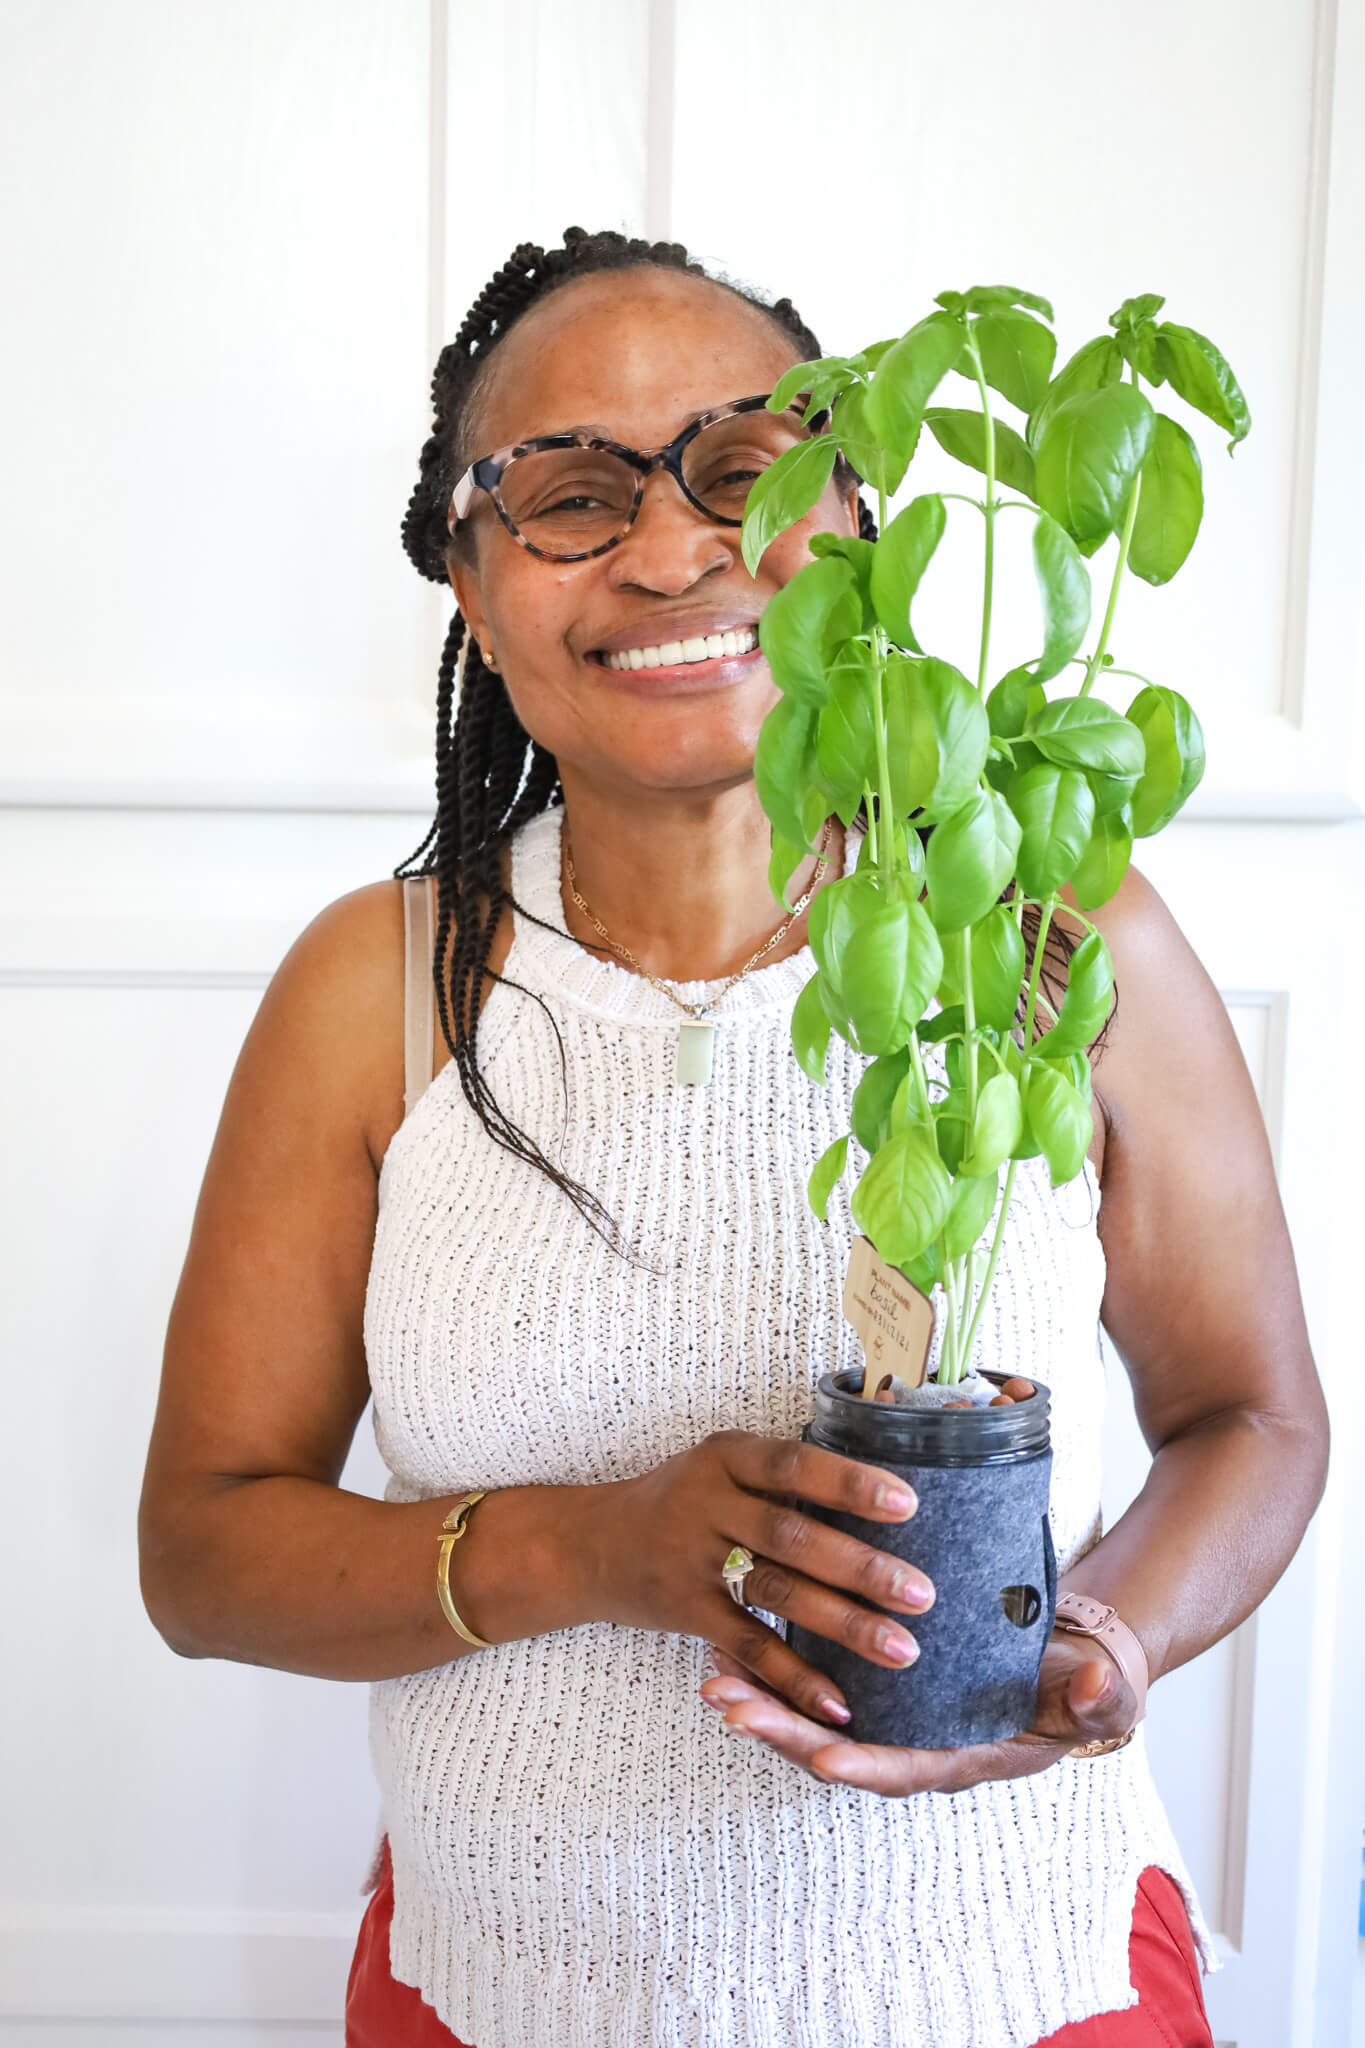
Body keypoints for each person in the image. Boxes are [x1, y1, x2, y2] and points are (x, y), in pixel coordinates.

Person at [137, 226, 1328, 2048]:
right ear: (469, 578)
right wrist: (591, 1549)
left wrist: (1104, 1641)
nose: (673, 547)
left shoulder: (1053, 931)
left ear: (857, 524)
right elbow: (205, 1554)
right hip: (499, 1990)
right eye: (566, 494)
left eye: (743, 469)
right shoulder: (373, 990)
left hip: (1021, 1983)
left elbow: (1252, 1419)